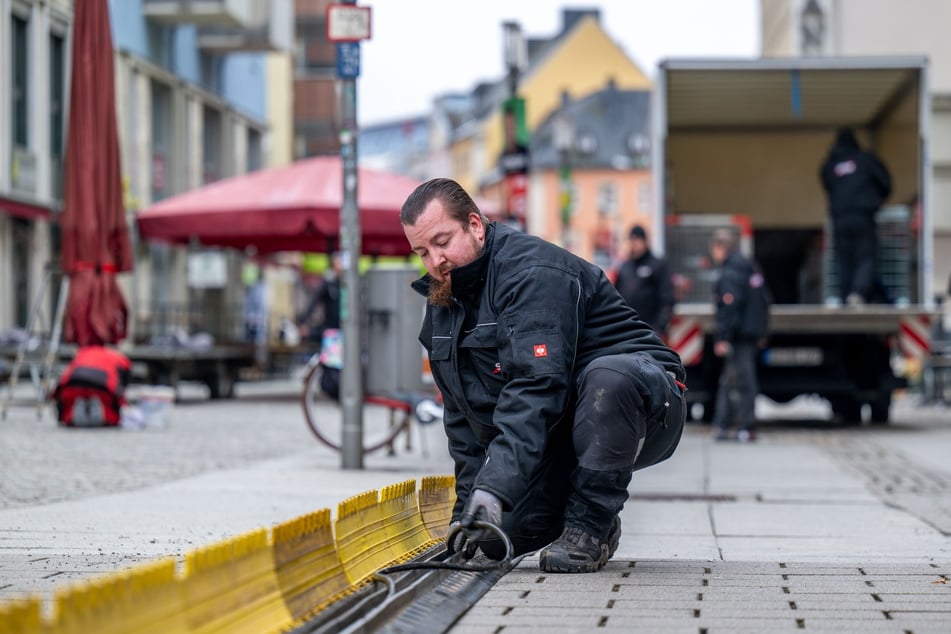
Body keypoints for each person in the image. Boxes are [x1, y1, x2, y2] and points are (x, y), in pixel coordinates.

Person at [401, 178, 686, 573]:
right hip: (564, 419)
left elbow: (536, 389)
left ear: (475, 225)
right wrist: (468, 507)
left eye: (443, 241)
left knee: (607, 378)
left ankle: (590, 524)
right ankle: (581, 507)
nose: (435, 261)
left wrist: (494, 486)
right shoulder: (445, 301)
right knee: (495, 538)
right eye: (422, 251)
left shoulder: (532, 273)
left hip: (644, 399)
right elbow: (463, 420)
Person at [709, 229, 771, 442]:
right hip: (750, 333)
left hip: (738, 335)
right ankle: (722, 424)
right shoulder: (750, 267)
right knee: (731, 379)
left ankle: (746, 427)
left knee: (742, 381)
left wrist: (722, 337)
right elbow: (764, 300)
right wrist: (763, 330)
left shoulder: (730, 272)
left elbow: (729, 306)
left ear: (720, 248)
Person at [820, 127, 892, 306]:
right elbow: (886, 183)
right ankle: (858, 293)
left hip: (839, 219)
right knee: (866, 256)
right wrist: (875, 199)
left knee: (844, 259)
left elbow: (826, 181)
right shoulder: (866, 159)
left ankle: (846, 297)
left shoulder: (830, 165)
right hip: (863, 216)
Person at [613, 225, 676, 337]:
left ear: (644, 241)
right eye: (632, 240)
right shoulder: (625, 267)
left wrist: (660, 325)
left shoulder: (657, 265)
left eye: (637, 240)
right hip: (627, 329)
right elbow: (615, 297)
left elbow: (667, 296)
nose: (634, 244)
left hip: (651, 329)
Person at [297, 252, 343, 345]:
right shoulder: (329, 285)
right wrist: (303, 322)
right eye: (337, 264)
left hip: (348, 330)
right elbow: (313, 302)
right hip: (332, 331)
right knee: (333, 358)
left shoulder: (348, 285)